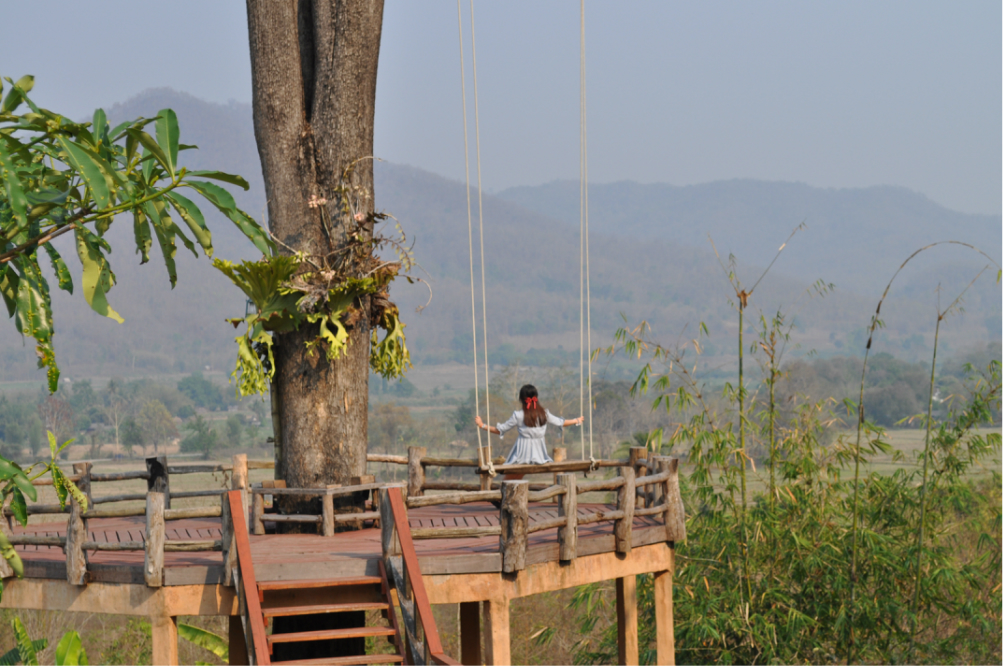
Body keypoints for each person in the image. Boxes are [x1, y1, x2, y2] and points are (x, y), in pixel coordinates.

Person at [474, 384, 583, 480]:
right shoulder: (544, 413)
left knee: (508, 481)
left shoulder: (518, 415)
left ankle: (502, 498)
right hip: (540, 456)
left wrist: (482, 425)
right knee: (515, 478)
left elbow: (500, 430)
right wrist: (576, 420)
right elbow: (561, 422)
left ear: (521, 399)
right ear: (536, 398)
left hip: (522, 456)